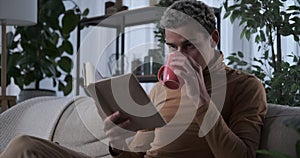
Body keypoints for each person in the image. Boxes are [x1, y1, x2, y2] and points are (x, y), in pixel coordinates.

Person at [0, 0, 267, 158]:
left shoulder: (246, 87)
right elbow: (138, 154)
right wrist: (116, 140)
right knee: (25, 146)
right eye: (173, 47)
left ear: (214, 39)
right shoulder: (162, 89)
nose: (179, 55)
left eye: (189, 45)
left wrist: (202, 102)